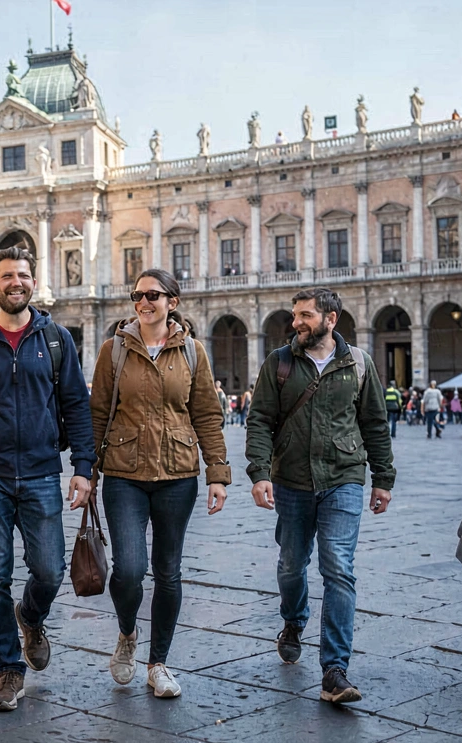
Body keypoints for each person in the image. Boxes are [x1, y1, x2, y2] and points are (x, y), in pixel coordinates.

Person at [0, 246, 95, 712]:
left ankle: (31, 616)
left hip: (44, 471)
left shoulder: (56, 339)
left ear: (33, 281)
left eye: (23, 276)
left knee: (49, 570)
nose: (16, 283)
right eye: (7, 276)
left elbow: (76, 407)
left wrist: (83, 468)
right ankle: (8, 669)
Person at [247, 287, 394, 705]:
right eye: (296, 315)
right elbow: (258, 421)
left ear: (331, 319)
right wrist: (259, 473)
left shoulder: (358, 363)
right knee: (292, 564)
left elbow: (375, 424)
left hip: (344, 477)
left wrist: (383, 478)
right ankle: (293, 621)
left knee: (339, 568)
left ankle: (334, 669)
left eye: (306, 315)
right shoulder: (279, 363)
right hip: (291, 479)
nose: (297, 322)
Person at [90, 269, 229, 699]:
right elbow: (97, 414)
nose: (143, 302)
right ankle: (128, 632)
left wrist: (217, 473)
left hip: (178, 474)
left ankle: (159, 663)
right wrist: (86, 472)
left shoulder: (192, 351)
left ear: (173, 301)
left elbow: (206, 413)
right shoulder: (113, 350)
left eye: (153, 294)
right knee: (128, 571)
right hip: (124, 474)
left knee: (168, 572)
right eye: (137, 295)